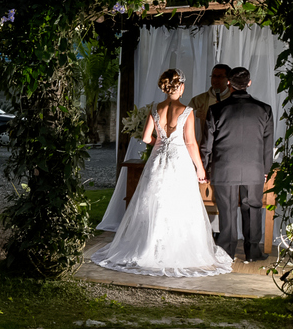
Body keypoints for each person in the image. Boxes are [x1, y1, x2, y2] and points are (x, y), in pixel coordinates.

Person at [93, 69, 234, 277]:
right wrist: (200, 168)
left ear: (165, 87)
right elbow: (190, 142)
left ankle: (148, 247)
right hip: (179, 162)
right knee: (179, 202)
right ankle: (176, 249)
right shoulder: (186, 111)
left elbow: (146, 137)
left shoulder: (155, 108)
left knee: (153, 202)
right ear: (182, 87)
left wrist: (161, 143)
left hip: (157, 159)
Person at [201, 66, 275, 263]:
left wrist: (204, 167)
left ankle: (226, 251)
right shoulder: (264, 109)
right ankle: (252, 251)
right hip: (254, 168)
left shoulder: (215, 110)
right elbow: (268, 145)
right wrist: (266, 169)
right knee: (253, 208)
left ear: (228, 83)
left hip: (224, 168)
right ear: (249, 83)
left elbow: (206, 144)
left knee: (227, 209)